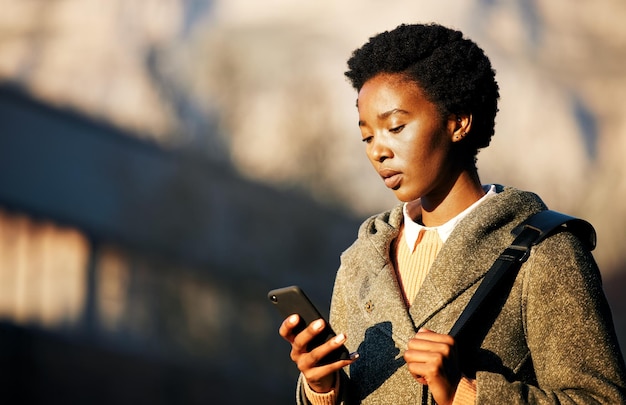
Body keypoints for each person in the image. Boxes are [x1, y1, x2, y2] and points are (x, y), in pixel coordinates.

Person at [278, 23, 626, 404]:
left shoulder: (545, 252)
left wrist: (464, 392)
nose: (377, 150)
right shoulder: (360, 262)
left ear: (458, 122)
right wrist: (323, 388)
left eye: (395, 127)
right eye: (367, 135)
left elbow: (602, 399)